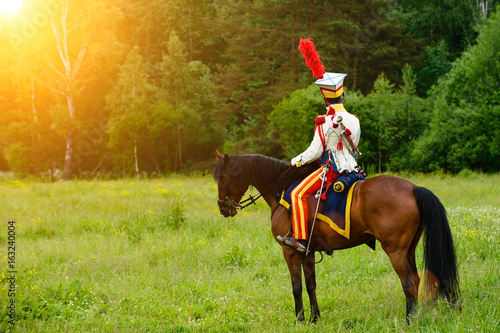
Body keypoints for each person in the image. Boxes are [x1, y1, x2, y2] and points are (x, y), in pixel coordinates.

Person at [282, 72, 362, 253]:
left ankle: (300, 240)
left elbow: (315, 152)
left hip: (332, 170)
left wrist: (296, 161)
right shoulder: (355, 120)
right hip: (353, 170)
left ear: (326, 99)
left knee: (297, 194)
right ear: (342, 96)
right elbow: (354, 146)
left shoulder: (324, 121)